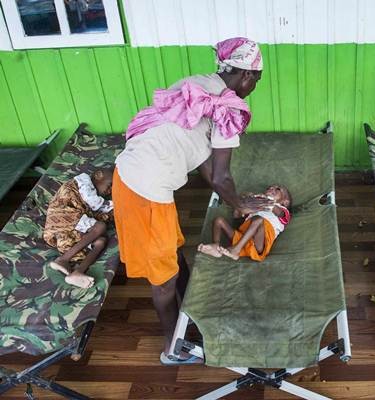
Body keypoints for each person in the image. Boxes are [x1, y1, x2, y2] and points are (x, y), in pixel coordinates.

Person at [112, 37, 274, 364]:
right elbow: (221, 177)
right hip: (145, 189)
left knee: (172, 249)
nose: (254, 86)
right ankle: (174, 348)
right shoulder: (229, 109)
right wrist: (240, 205)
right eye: (257, 79)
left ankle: (190, 310)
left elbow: (208, 166)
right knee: (164, 278)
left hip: (134, 177)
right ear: (246, 76)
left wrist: (233, 198)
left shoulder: (196, 84)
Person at [44, 168, 113, 289]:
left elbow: (97, 212)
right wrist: (118, 204)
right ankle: (63, 259)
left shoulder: (89, 197)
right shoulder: (83, 183)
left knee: (100, 241)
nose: (110, 191)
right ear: (98, 175)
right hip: (62, 216)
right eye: (110, 185)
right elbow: (96, 204)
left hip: (68, 231)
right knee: (100, 227)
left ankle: (78, 272)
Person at [198, 185, 292, 261]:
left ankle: (236, 250)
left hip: (258, 244)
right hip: (243, 238)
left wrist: (264, 201)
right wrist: (245, 200)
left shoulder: (283, 211)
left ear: (285, 202)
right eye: (270, 187)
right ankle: (216, 246)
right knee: (219, 220)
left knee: (258, 219)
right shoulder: (255, 208)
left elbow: (278, 212)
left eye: (278, 189)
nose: (272, 188)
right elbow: (237, 215)